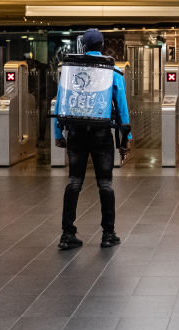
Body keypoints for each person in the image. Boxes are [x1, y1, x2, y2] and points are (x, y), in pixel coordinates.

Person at [54, 28, 131, 250]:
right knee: (105, 184)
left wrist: (59, 134)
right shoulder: (112, 71)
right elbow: (122, 108)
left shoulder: (70, 71)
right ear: (102, 46)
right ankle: (108, 234)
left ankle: (67, 234)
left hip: (76, 133)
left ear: (84, 47)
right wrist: (127, 137)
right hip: (101, 134)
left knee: (74, 182)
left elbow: (61, 102)